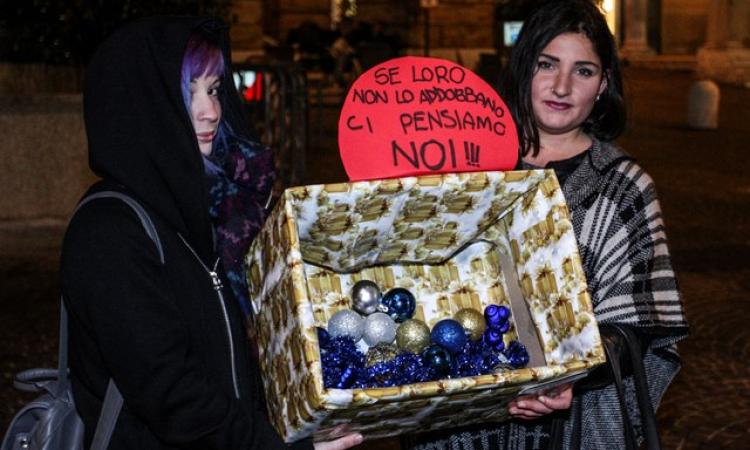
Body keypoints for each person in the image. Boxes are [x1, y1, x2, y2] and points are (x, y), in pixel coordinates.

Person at [61, 16, 362, 450]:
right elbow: (174, 397)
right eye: (188, 92)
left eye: (215, 88)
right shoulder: (109, 233)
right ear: (143, 102)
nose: (212, 111)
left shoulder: (222, 209)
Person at [404, 1, 688, 449]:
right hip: (459, 424)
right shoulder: (466, 169)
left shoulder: (624, 186)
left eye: (583, 71)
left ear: (604, 84)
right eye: (547, 64)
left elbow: (639, 327)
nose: (561, 86)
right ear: (524, 69)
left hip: (575, 427)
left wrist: (569, 378)